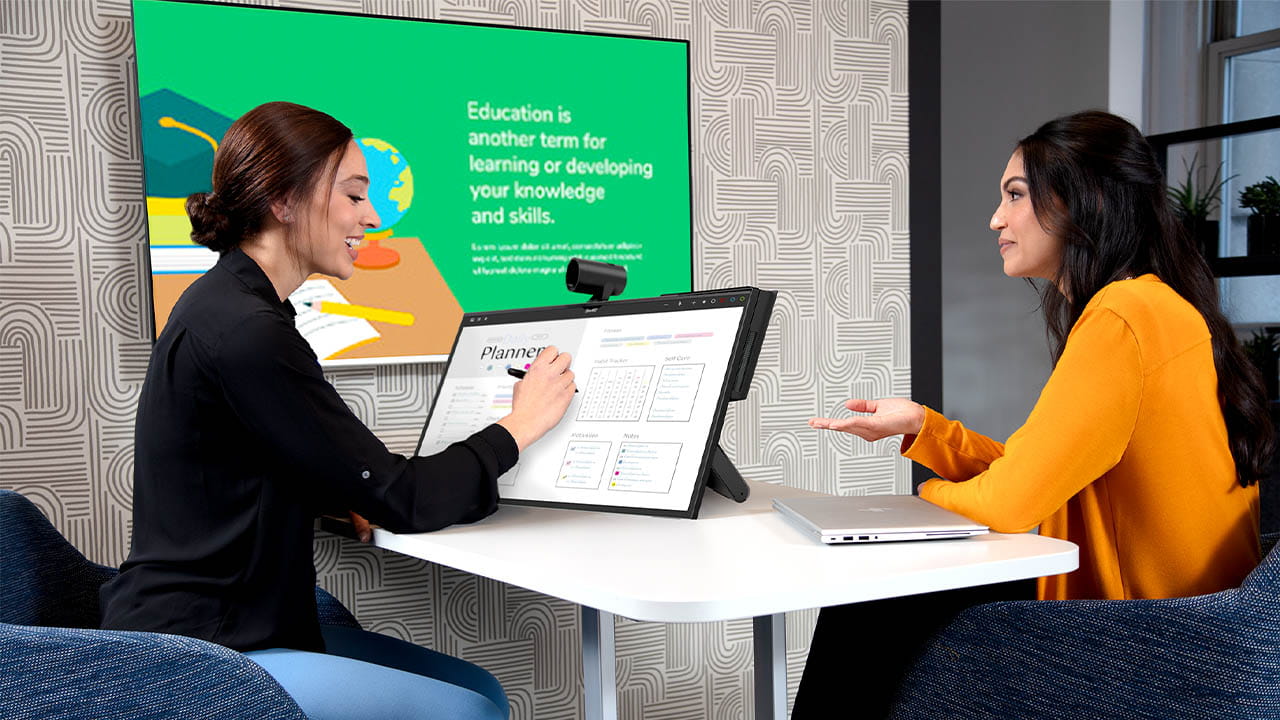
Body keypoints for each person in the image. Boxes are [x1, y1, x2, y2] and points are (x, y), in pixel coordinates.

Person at [99, 101, 577, 720]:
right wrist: (521, 424)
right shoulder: (250, 332)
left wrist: (331, 488)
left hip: (211, 623)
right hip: (203, 649)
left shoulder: (225, 304)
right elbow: (404, 499)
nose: (372, 217)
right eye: (353, 196)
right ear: (283, 199)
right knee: (471, 711)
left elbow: (235, 461)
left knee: (482, 691)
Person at [792, 110, 1275, 718]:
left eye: (1016, 195)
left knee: (869, 603)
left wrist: (921, 503)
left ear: (1087, 200)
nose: (997, 219)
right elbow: (1041, 470)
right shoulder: (1160, 307)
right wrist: (924, 427)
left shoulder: (1123, 316)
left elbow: (1012, 501)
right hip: (1199, 638)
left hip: (1154, 644)